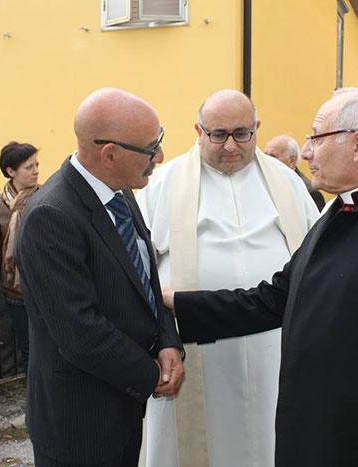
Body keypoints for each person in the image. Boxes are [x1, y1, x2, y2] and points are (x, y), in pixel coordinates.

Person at [163, 88, 358, 466]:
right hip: (311, 439)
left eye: (316, 138)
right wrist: (177, 303)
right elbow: (275, 299)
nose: (306, 152)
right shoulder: (336, 213)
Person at [137, 89, 319, 467]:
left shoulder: (287, 182)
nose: (230, 145)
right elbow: (137, 272)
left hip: (276, 349)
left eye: (241, 133)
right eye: (218, 134)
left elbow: (315, 264)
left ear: (256, 129)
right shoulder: (162, 185)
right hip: (195, 350)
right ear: (198, 131)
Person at [15, 88, 184, 467]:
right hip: (80, 423)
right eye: (150, 147)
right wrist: (152, 374)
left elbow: (147, 281)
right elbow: (80, 332)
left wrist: (167, 340)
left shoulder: (120, 193)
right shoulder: (51, 216)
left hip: (121, 409)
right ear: (110, 154)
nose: (159, 156)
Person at [0, 141, 40, 429]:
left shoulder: (45, 196)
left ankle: (50, 405)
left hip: (42, 287)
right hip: (15, 292)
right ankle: (34, 410)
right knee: (28, 351)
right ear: (10, 171)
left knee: (49, 348)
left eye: (37, 165)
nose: (36, 172)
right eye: (29, 167)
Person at [265, 134, 325, 210]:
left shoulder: (309, 193)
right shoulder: (263, 182)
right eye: (265, 156)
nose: (267, 161)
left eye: (273, 157)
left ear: (292, 160)